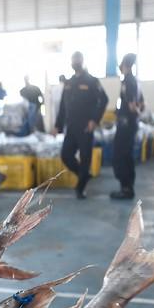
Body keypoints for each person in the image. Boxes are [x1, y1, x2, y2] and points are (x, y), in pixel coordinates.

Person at [55, 52, 108, 199]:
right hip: (71, 126)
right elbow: (62, 106)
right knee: (65, 155)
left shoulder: (92, 81)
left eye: (77, 59)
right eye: (73, 60)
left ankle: (81, 188)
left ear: (82, 61)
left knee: (86, 158)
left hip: (86, 127)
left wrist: (94, 120)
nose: (75, 62)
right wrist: (57, 125)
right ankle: (83, 175)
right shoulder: (69, 82)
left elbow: (104, 100)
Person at [111, 53, 141, 200]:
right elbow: (141, 103)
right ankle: (128, 187)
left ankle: (125, 188)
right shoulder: (134, 81)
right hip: (129, 124)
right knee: (127, 155)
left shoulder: (128, 81)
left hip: (126, 125)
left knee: (120, 155)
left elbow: (132, 105)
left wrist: (134, 114)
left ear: (124, 65)